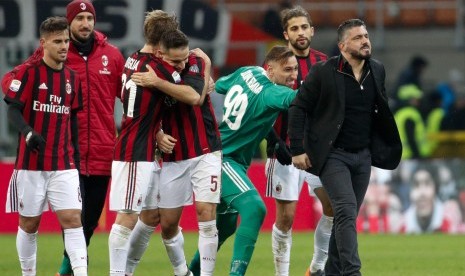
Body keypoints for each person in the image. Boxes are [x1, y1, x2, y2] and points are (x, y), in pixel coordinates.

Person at [288, 19, 402, 275]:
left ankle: (331, 272)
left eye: (366, 36)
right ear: (342, 45)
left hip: (363, 156)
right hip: (333, 155)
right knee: (346, 210)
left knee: (344, 218)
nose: (365, 41)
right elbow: (298, 107)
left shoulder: (377, 69)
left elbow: (378, 111)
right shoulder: (324, 72)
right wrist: (297, 149)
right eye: (358, 37)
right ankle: (352, 271)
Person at [108, 25, 211, 275]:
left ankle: (180, 272)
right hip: (135, 151)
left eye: (185, 59)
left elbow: (140, 106)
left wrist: (157, 132)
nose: (181, 65)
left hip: (149, 150)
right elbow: (195, 95)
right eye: (176, 60)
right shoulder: (158, 70)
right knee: (127, 219)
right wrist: (205, 66)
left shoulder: (133, 60)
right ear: (159, 50)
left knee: (151, 217)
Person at [188, 45, 298, 276]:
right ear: (270, 70)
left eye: (296, 69)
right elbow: (299, 100)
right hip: (224, 158)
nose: (293, 75)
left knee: (225, 226)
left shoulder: (248, 72)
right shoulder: (272, 93)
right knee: (255, 209)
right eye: (287, 69)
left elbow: (222, 85)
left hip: (222, 154)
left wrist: (273, 138)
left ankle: (191, 272)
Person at [3, 16, 88, 276]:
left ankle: (82, 273)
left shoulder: (73, 78)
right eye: (57, 41)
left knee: (73, 220)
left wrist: (75, 154)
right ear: (44, 43)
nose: (64, 46)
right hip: (31, 165)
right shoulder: (28, 73)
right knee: (29, 224)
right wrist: (28, 132)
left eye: (66, 41)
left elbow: (72, 119)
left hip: (64, 163)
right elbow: (13, 111)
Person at [53, 1, 126, 274]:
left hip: (103, 150)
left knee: (90, 222)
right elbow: (24, 77)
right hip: (66, 152)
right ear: (69, 21)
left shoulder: (113, 56)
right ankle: (70, 270)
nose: (85, 23)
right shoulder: (56, 50)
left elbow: (130, 97)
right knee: (74, 220)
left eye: (89, 18)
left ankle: (69, 268)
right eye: (79, 18)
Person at [262, 6, 332, 276]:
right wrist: (277, 143)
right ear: (286, 34)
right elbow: (262, 108)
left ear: (312, 31)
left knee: (333, 209)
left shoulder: (324, 62)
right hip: (285, 150)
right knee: (286, 218)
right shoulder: (275, 64)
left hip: (317, 152)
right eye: (294, 28)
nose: (300, 33)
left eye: (304, 27)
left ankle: (316, 268)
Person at [394, 84, 428, 160]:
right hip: (411, 158)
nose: (418, 102)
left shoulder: (400, 114)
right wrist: (417, 155)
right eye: (416, 99)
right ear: (409, 100)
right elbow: (410, 137)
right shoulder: (411, 114)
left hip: (401, 157)